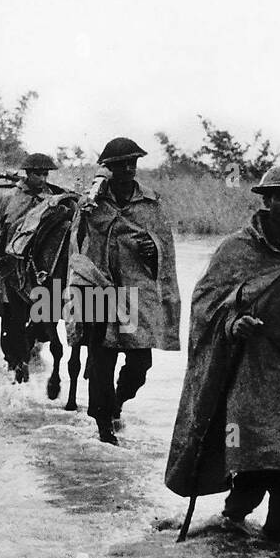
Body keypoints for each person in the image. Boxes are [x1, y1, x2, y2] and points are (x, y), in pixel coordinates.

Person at [165, 165, 280, 543]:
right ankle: (230, 548)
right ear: (265, 201)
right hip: (248, 382)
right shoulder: (237, 250)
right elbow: (206, 309)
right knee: (249, 468)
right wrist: (234, 325)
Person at [69, 137, 181, 444]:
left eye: (132, 163)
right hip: (97, 291)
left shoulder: (150, 204)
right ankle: (105, 429)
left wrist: (152, 248)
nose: (128, 169)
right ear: (108, 168)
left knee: (140, 365)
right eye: (120, 164)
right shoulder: (91, 203)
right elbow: (75, 247)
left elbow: (166, 249)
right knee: (101, 362)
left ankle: (118, 402)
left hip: (133, 295)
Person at [0, 152, 62, 382]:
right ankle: (15, 368)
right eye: (38, 174)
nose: (43, 178)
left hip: (41, 272)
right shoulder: (10, 199)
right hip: (12, 270)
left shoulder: (53, 197)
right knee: (11, 322)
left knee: (45, 321)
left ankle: (30, 351)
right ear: (28, 174)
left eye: (45, 174)